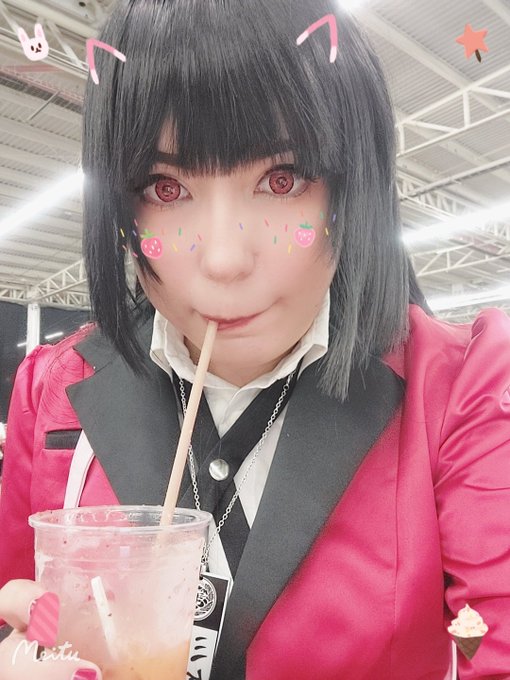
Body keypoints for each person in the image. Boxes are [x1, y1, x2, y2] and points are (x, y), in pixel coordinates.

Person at [0, 0, 509, 678]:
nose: (223, 261)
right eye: (165, 187)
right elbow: (14, 606)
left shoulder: (461, 389)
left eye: (281, 180)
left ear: (350, 190)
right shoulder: (54, 389)